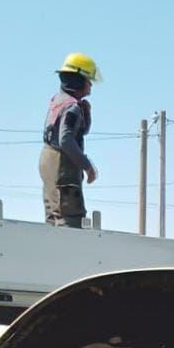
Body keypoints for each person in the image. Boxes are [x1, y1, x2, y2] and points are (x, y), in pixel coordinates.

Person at [40, 52, 101, 228]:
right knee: (69, 220)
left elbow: (77, 132)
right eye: (88, 80)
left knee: (54, 217)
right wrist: (87, 166)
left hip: (49, 160)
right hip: (63, 167)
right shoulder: (72, 107)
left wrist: (86, 114)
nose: (91, 85)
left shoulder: (58, 101)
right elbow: (66, 139)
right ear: (78, 81)